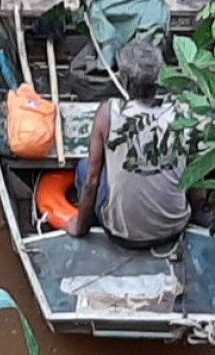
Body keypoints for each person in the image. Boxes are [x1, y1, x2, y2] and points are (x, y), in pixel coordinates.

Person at [64, 39, 192, 246]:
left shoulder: (108, 114)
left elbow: (92, 181)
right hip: (175, 228)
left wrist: (80, 228)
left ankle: (94, 223)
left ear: (124, 80)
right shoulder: (181, 112)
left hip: (123, 235)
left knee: (84, 168)